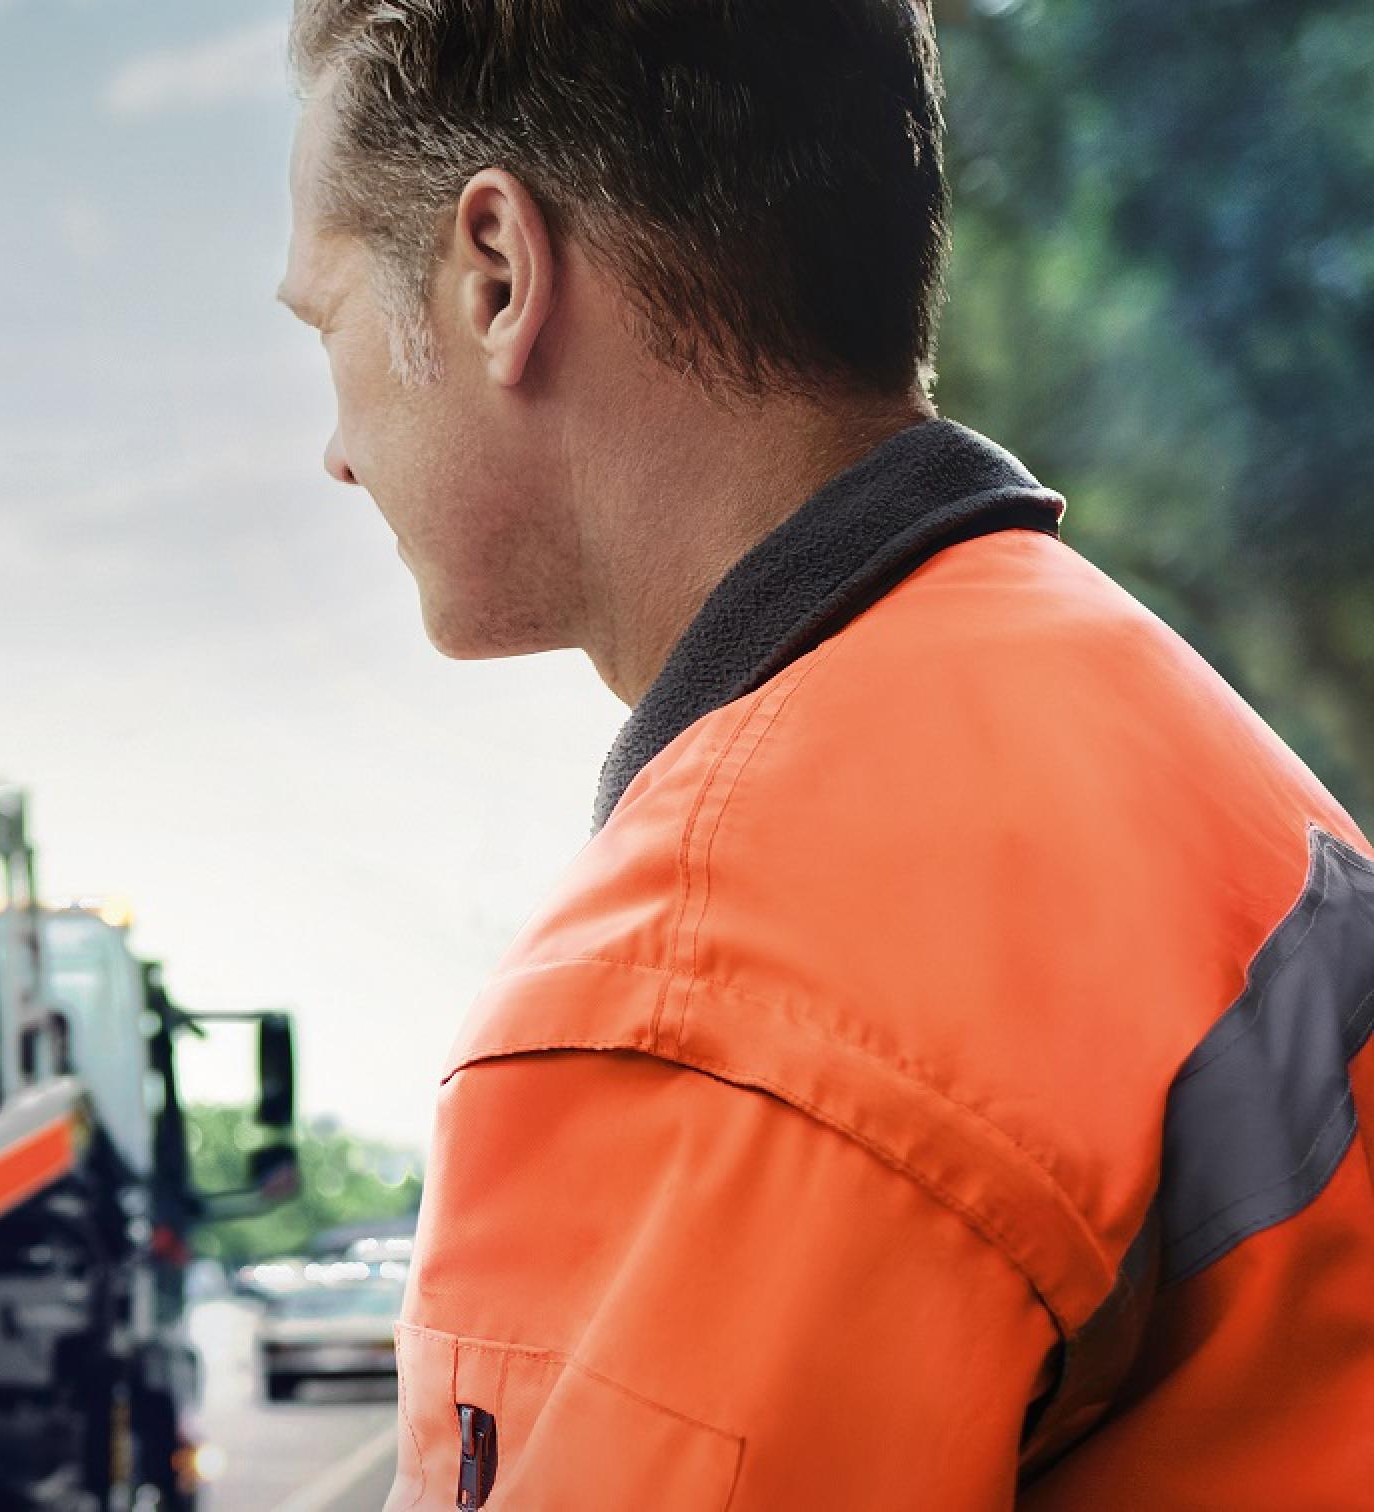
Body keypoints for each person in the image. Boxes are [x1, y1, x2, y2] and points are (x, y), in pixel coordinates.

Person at [274, 2, 1374, 1506]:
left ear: (496, 276)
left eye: (324, 322)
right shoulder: (1139, 717)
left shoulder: (710, 993)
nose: (335, 446)